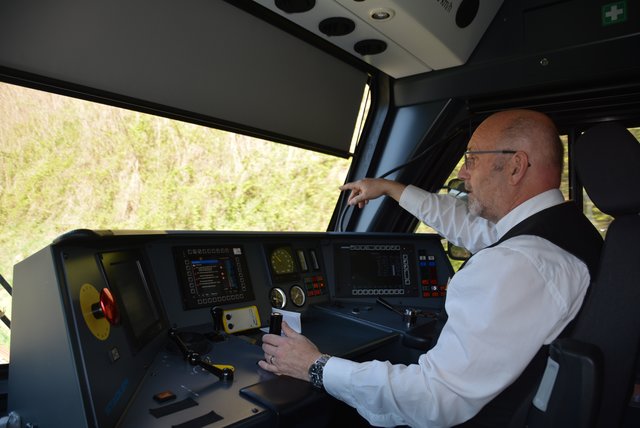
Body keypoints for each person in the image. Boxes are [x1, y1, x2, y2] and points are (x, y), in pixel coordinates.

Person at [258, 109, 603, 427]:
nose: (462, 173)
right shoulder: (569, 231)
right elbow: (470, 227)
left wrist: (315, 366)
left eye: (471, 159)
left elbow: (433, 397)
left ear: (515, 166)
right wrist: (391, 189)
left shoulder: (518, 263)